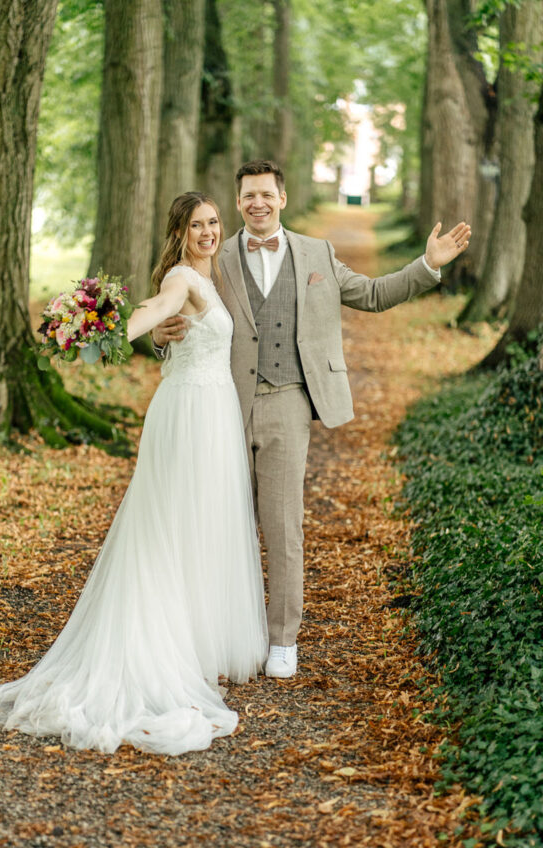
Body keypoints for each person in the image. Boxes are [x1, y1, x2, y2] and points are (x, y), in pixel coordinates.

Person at [0, 192, 269, 755]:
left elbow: (172, 321)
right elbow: (154, 308)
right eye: (198, 225)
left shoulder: (209, 279)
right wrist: (111, 329)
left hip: (214, 411)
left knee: (205, 524)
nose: (209, 232)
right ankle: (169, 651)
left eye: (214, 223)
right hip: (189, 415)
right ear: (179, 231)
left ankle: (197, 645)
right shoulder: (181, 277)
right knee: (173, 525)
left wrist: (159, 330)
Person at [151, 160, 470, 678]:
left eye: (266, 194)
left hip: (287, 401)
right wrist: (156, 336)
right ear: (237, 204)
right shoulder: (215, 253)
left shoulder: (316, 253)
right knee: (218, 520)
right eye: (247, 195)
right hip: (220, 403)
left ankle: (282, 639)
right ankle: (216, 633)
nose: (257, 203)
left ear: (282, 197)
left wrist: (427, 265)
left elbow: (371, 294)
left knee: (282, 524)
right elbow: (174, 312)